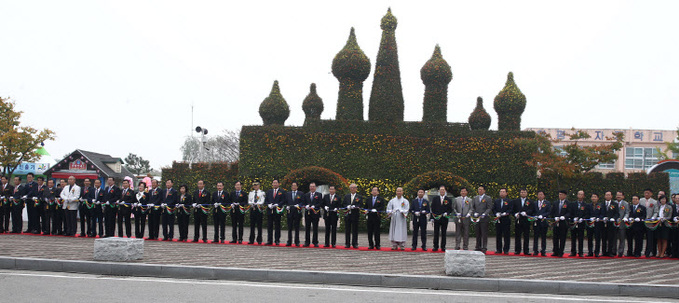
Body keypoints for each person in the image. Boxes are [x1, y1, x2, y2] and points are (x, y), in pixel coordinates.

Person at [513, 188, 535, 255]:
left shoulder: (530, 201)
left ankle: (526, 250)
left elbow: (532, 210)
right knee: (517, 236)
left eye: (524, 192)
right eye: (522, 192)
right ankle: (517, 250)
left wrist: (526, 213)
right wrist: (515, 214)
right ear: (520, 193)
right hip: (518, 220)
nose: (523, 193)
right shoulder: (516, 201)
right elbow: (513, 209)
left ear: (527, 193)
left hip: (526, 220)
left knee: (526, 236)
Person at [431, 185, 453, 252]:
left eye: (443, 190)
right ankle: (435, 246)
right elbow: (432, 208)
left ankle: (443, 246)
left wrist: (447, 213)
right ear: (439, 191)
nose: (442, 191)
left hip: (444, 218)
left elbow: (450, 209)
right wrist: (432, 218)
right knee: (436, 233)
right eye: (441, 190)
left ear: (445, 191)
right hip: (437, 218)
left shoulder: (448, 199)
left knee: (444, 233)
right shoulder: (435, 199)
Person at [472, 185, 493, 253]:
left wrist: (485, 213)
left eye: (481, 189)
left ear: (484, 190)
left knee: (484, 233)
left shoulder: (488, 198)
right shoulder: (475, 198)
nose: (479, 191)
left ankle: (484, 247)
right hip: (477, 218)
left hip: (484, 218)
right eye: (479, 189)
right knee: (477, 233)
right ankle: (478, 246)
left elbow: (489, 207)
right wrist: (474, 213)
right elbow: (473, 207)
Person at [265, 179, 286, 245]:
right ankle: (269, 240)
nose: (274, 184)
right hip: (270, 211)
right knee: (269, 226)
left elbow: (283, 200)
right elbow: (266, 200)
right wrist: (268, 204)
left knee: (277, 226)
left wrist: (278, 204)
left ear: (279, 184)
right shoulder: (269, 191)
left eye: (276, 183)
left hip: (277, 211)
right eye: (273, 183)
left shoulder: (282, 191)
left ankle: (277, 240)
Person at [569, 190, 589, 257]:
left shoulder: (585, 205)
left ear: (584, 196)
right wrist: (573, 218)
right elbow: (570, 213)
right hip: (574, 223)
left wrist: (582, 218)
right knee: (573, 238)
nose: (580, 196)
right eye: (579, 194)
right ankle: (573, 251)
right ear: (577, 195)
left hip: (581, 224)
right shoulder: (573, 204)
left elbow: (587, 214)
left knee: (580, 238)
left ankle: (580, 252)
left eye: (581, 194)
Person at [342, 183, 362, 249]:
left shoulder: (359, 197)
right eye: (351, 188)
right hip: (348, 215)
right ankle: (347, 243)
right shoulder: (346, 196)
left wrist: (355, 206)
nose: (352, 189)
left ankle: (355, 243)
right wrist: (346, 206)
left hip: (355, 215)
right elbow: (343, 204)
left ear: (356, 189)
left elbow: (361, 205)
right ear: (350, 189)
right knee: (347, 229)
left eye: (354, 188)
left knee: (355, 230)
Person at [551, 190, 571, 257]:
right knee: (555, 237)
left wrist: (564, 216)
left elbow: (569, 212)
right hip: (556, 222)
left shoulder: (568, 203)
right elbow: (552, 212)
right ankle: (555, 251)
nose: (560, 196)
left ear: (565, 195)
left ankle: (561, 251)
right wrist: (554, 217)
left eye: (562, 194)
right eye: (559, 194)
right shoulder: (555, 203)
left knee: (562, 238)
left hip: (563, 223)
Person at [492, 188, 512, 254]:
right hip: (498, 220)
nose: (502, 193)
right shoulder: (496, 201)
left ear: (506, 193)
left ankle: (506, 249)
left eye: (503, 192)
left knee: (506, 235)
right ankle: (499, 249)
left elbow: (510, 209)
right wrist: (496, 213)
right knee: (498, 235)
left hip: (506, 219)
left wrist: (505, 213)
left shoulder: (509, 201)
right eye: (501, 192)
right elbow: (493, 209)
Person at [640, 188, 659, 258]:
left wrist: (653, 217)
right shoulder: (641, 200)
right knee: (640, 237)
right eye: (645, 193)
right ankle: (639, 251)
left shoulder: (654, 202)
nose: (646, 194)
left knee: (650, 238)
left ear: (651, 194)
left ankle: (648, 252)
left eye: (648, 193)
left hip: (650, 222)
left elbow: (656, 211)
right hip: (642, 221)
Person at [303, 182, 322, 247]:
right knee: (307, 228)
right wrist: (306, 206)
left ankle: (315, 242)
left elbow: (320, 203)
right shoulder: (306, 195)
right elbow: (303, 203)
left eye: (313, 186)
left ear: (315, 187)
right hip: (308, 213)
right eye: (311, 186)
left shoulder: (319, 195)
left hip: (315, 213)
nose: (312, 188)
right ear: (309, 187)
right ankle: (307, 242)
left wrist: (315, 206)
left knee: (315, 228)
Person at [532, 191, 551, 256]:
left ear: (544, 196)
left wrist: (543, 215)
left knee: (543, 237)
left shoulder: (547, 203)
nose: (540, 196)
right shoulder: (535, 203)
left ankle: (543, 250)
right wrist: (535, 216)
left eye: (541, 194)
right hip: (536, 222)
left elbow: (549, 211)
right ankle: (535, 250)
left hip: (543, 222)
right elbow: (532, 211)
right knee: (535, 237)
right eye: (539, 194)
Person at [601, 191, 619, 257]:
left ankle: (610, 252)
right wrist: (602, 217)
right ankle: (603, 252)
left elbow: (617, 213)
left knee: (611, 238)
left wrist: (614, 218)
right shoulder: (601, 204)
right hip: (603, 223)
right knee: (603, 238)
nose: (607, 196)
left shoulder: (615, 204)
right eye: (606, 195)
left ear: (611, 196)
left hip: (611, 224)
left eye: (609, 195)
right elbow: (600, 213)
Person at [286, 182, 304, 247]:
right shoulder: (288, 194)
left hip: (297, 212)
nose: (293, 187)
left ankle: (297, 241)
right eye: (292, 185)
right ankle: (289, 241)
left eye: (295, 186)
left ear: (297, 187)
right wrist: (287, 206)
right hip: (290, 212)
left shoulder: (300, 193)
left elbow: (303, 202)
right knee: (289, 228)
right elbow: (286, 201)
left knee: (297, 228)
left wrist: (299, 205)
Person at [615, 191, 630, 257]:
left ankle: (620, 252)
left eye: (620, 195)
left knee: (622, 239)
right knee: (613, 238)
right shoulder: (613, 203)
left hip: (622, 223)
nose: (618, 196)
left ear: (623, 196)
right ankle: (613, 251)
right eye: (617, 195)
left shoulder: (626, 204)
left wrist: (625, 217)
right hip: (614, 223)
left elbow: (627, 212)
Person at [588, 192, 603, 257]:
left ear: (597, 198)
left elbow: (602, 214)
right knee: (590, 238)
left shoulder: (600, 205)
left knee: (597, 238)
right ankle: (590, 252)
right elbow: (586, 214)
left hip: (597, 224)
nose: (593, 198)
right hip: (590, 224)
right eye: (592, 197)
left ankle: (596, 252)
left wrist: (599, 218)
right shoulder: (588, 205)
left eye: (595, 197)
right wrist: (589, 218)